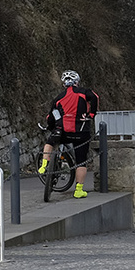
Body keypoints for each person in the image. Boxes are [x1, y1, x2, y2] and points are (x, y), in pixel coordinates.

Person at [39, 70, 100, 198]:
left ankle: (44, 165)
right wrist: (92, 114)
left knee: (50, 142)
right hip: (81, 131)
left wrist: (51, 127)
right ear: (77, 82)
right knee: (81, 161)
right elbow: (95, 97)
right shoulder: (84, 92)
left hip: (63, 132)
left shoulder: (58, 98)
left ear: (64, 84)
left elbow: (51, 116)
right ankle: (78, 190)